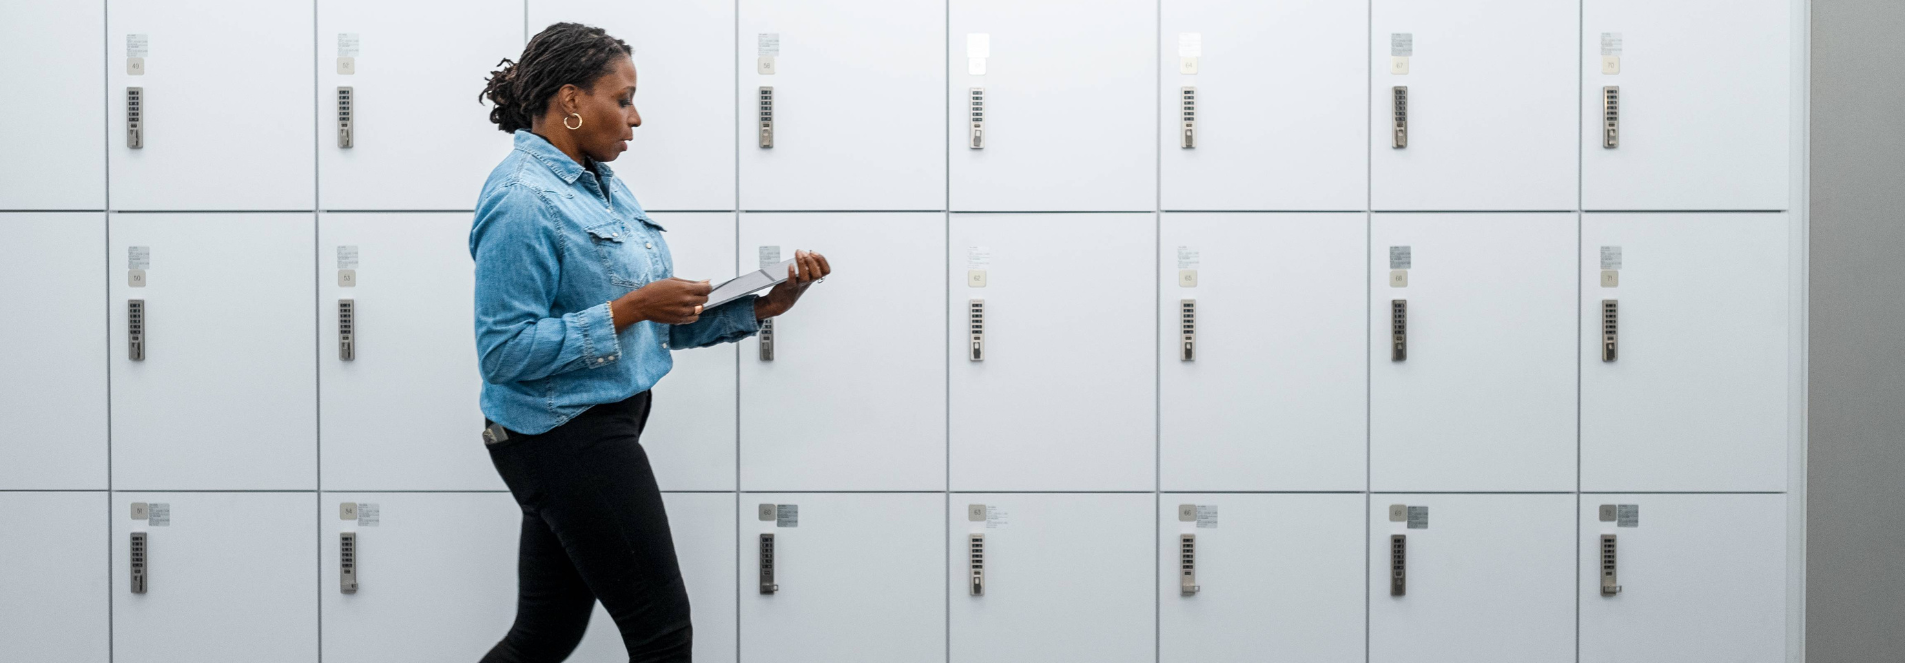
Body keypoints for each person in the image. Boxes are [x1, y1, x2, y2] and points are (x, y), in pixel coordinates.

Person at [470, 22, 829, 663]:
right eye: (624, 98)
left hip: (591, 430)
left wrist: (759, 307)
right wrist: (629, 306)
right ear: (572, 100)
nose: (636, 118)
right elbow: (504, 352)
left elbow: (652, 324)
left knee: (545, 634)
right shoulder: (522, 199)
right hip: (565, 436)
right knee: (663, 635)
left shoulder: (599, 185)